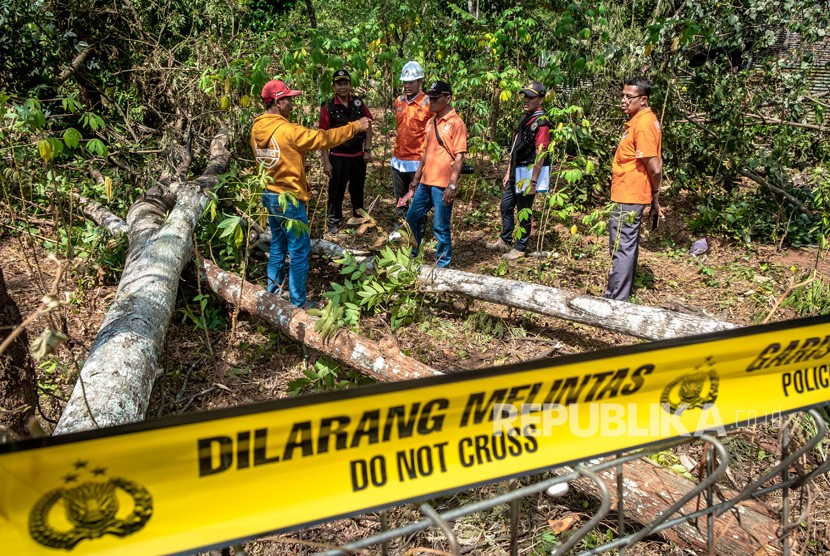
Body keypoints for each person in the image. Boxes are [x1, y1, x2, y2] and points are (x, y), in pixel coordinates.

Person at [251, 79, 370, 307]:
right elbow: (322, 138)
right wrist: (355, 127)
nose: (293, 105)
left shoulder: (257, 127)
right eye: (289, 100)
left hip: (269, 194)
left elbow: (267, 158)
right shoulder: (289, 130)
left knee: (277, 244)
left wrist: (297, 164)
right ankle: (297, 303)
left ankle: (273, 292)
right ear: (278, 101)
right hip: (289, 199)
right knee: (298, 251)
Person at [603, 76, 663, 301]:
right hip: (627, 192)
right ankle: (619, 292)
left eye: (629, 97)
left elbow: (654, 167)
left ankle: (616, 299)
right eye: (623, 95)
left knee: (621, 245)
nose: (623, 101)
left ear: (644, 100)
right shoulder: (641, 121)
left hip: (630, 195)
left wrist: (655, 195)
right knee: (625, 244)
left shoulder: (644, 124)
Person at [405, 80, 467, 267]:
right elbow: (425, 152)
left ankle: (443, 264)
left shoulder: (456, 123)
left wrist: (452, 185)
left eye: (435, 98)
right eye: (429, 98)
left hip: (442, 185)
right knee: (411, 217)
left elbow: (459, 157)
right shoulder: (431, 122)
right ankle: (414, 254)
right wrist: (416, 179)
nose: (431, 102)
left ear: (447, 99)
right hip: (425, 182)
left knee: (440, 226)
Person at [486, 81, 551, 260]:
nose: (526, 100)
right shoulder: (525, 118)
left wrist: (534, 181)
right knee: (506, 206)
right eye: (525, 96)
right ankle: (505, 239)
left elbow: (541, 152)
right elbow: (515, 146)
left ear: (541, 99)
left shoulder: (542, 123)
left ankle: (520, 247)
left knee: (524, 210)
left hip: (528, 174)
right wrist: (508, 171)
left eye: (531, 97)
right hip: (516, 171)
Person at [319, 68, 374, 233]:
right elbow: (323, 136)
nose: (343, 87)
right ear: (334, 87)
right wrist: (326, 162)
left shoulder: (358, 103)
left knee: (357, 189)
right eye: (339, 84)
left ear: (350, 85)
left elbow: (368, 125)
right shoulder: (328, 106)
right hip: (338, 157)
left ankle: (359, 219)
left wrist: (368, 149)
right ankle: (333, 222)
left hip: (357, 156)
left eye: (346, 83)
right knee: (336, 191)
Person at [391, 61, 431, 221]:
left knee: (417, 199)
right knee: (401, 198)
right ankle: (400, 226)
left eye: (411, 82)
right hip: (398, 160)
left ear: (420, 82)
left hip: (417, 161)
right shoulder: (398, 101)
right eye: (405, 82)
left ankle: (417, 229)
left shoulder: (428, 103)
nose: (407, 86)